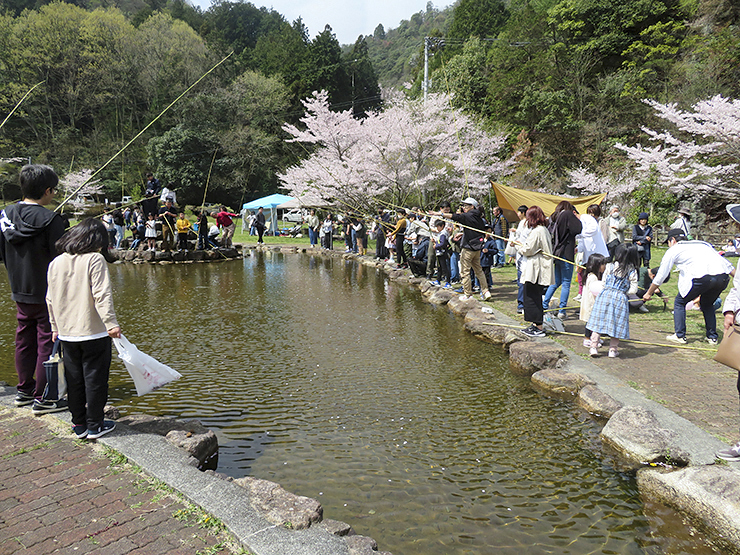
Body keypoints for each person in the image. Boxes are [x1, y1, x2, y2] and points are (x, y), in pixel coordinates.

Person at [0, 165, 68, 413]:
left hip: (19, 288)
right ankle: (44, 397)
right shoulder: (51, 219)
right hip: (46, 291)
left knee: (23, 340)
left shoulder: (5, 215)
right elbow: (60, 260)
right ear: (48, 191)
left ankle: (24, 390)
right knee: (45, 341)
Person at [46, 219, 121, 439]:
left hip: (67, 333)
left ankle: (78, 424)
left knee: (74, 379)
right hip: (93, 331)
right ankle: (95, 424)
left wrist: (54, 326)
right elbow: (102, 295)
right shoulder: (94, 259)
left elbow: (49, 299)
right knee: (95, 379)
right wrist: (111, 324)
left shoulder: (56, 262)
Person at [643, 228, 735, 345]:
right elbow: (728, 265)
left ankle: (680, 335)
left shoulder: (675, 249)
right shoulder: (703, 244)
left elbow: (661, 274)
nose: (669, 245)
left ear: (673, 240)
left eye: (668, 243)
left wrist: (649, 293)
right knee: (707, 304)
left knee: (680, 302)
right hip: (722, 277)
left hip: (702, 278)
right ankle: (712, 337)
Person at [587, 244, 640, 358]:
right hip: (620, 298)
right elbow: (634, 289)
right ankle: (612, 350)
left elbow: (604, 281)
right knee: (617, 324)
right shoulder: (632, 271)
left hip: (605, 295)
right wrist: (623, 291)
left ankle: (593, 347)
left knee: (598, 321)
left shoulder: (609, 266)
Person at [440, 198, 492, 302]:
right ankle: (486, 291)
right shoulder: (479, 217)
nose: (464, 208)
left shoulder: (469, 215)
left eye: (466, 206)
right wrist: (463, 233)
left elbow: (455, 216)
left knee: (465, 272)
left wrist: (440, 214)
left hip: (468, 248)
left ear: (472, 206)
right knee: (479, 271)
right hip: (477, 248)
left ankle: (468, 294)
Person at [515, 206, 554, 337]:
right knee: (533, 295)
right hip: (538, 266)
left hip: (536, 268)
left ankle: (539, 327)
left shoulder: (538, 231)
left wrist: (516, 245)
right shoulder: (543, 230)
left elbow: (528, 249)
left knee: (531, 296)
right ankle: (535, 325)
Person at [543, 201, 582, 318]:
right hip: (566, 253)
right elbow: (578, 229)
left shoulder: (555, 216)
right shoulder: (568, 215)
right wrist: (575, 217)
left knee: (556, 281)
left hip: (557, 253)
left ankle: (544, 305)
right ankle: (562, 310)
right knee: (566, 283)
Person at [579, 253, 607, 348]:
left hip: (590, 303)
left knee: (592, 322)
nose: (605, 266)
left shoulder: (590, 275)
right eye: (603, 264)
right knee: (591, 322)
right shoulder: (593, 277)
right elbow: (592, 293)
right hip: (591, 303)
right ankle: (587, 339)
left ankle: (593, 337)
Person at [512, 205, 530, 314]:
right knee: (521, 280)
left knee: (523, 280)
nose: (518, 214)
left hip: (524, 254)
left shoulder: (527, 224)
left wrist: (518, 243)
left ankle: (522, 303)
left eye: (518, 212)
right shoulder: (522, 223)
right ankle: (521, 303)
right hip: (520, 254)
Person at [431, 219, 452, 287]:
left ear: (442, 226)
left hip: (443, 253)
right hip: (439, 253)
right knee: (439, 267)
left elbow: (443, 243)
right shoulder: (440, 233)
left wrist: (436, 246)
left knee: (444, 268)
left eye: (438, 226)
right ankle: (438, 280)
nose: (437, 228)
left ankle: (448, 282)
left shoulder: (443, 233)